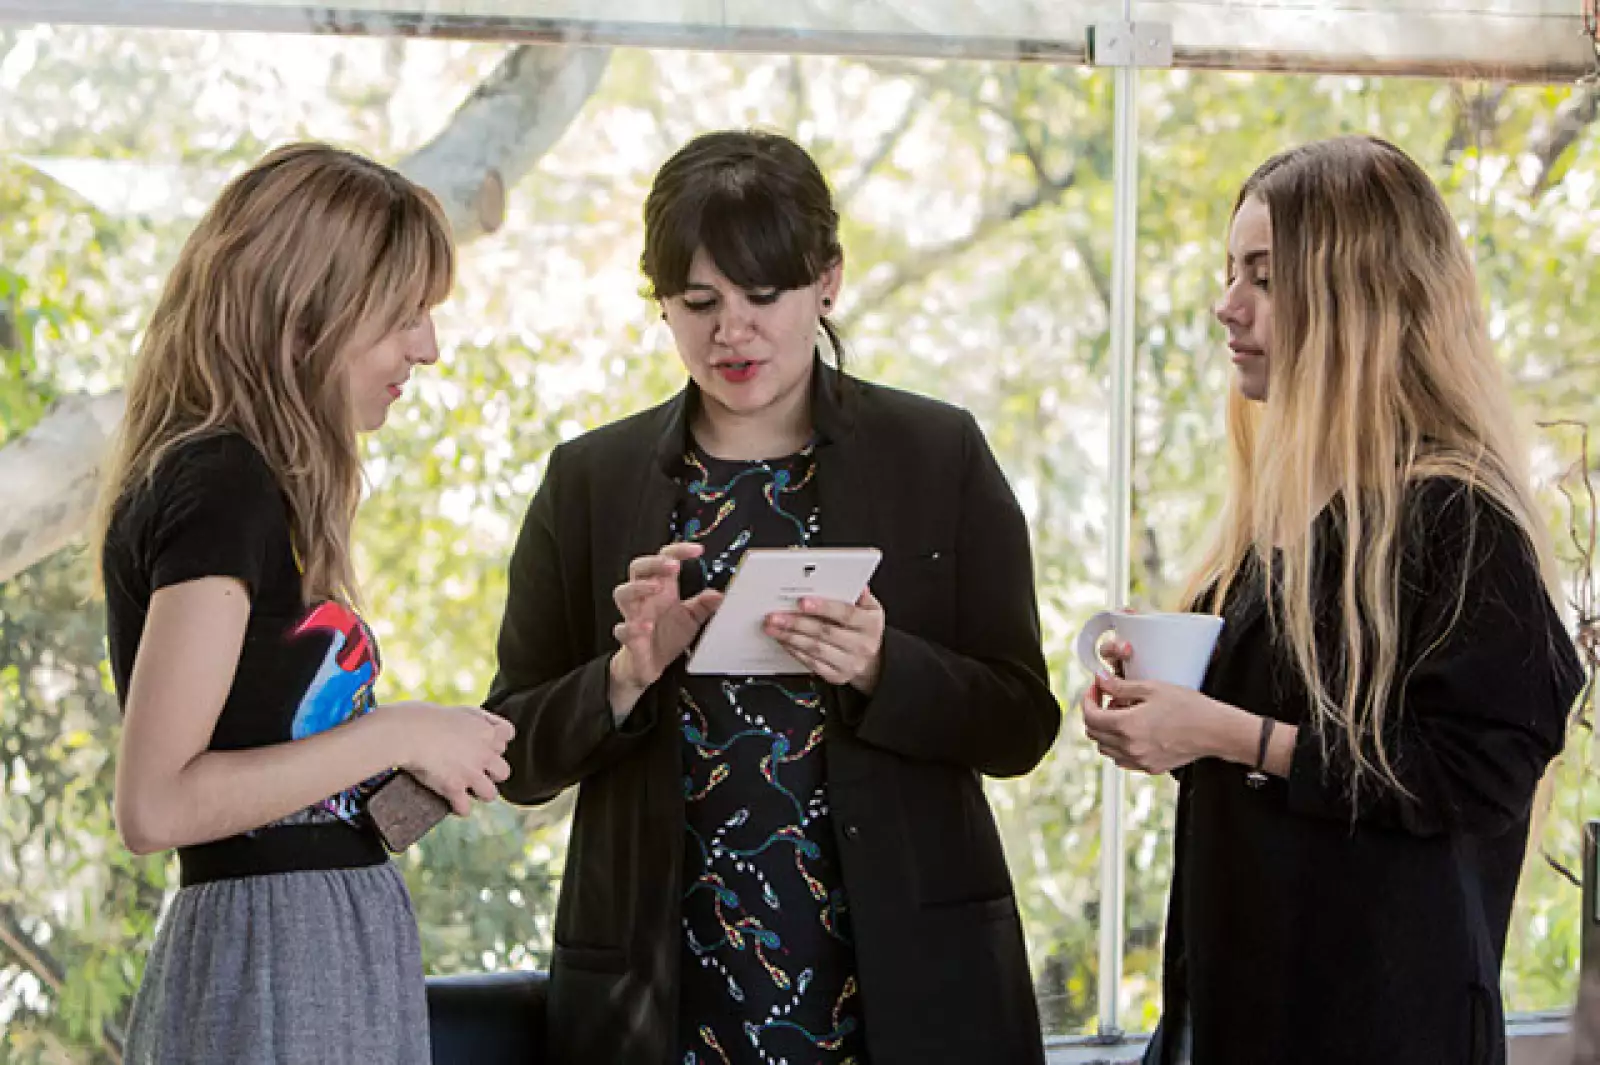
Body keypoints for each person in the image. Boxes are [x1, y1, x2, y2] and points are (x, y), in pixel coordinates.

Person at [485, 128, 1061, 1065]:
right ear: (659, 299)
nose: (732, 331)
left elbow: (1023, 723)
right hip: (659, 994)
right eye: (697, 301)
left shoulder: (937, 453)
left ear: (827, 280)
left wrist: (884, 667)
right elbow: (514, 755)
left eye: (765, 295)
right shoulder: (590, 479)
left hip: (905, 987)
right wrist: (624, 678)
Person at [1081, 134, 1585, 1065]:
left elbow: (1476, 774)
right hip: (1244, 1010)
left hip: (1381, 1026)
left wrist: (1226, 733)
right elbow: (1293, 769)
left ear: (1360, 300)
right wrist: (1164, 717)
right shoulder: (1273, 518)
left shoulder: (1458, 519)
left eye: (1264, 278)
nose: (1225, 306)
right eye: (1231, 271)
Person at [99, 142, 514, 1064]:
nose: (428, 348)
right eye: (403, 316)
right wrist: (397, 733)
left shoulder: (256, 487)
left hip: (311, 953)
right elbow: (156, 803)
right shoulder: (224, 483)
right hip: (275, 964)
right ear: (303, 316)